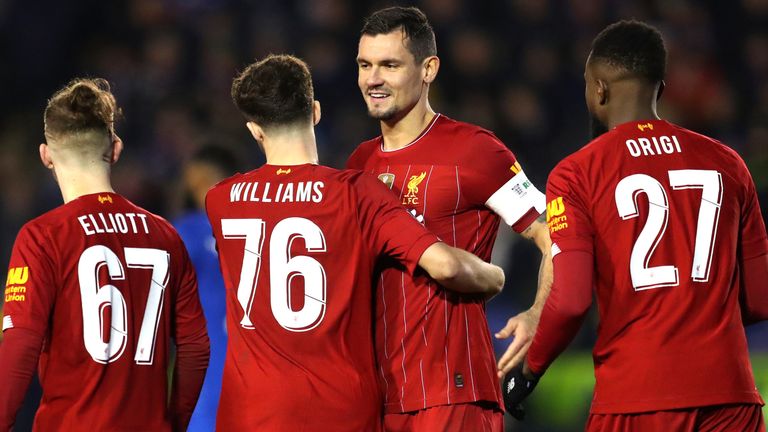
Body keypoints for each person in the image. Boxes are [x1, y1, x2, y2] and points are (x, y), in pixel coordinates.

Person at [208, 54, 505, 431]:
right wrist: (495, 277)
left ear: (255, 130)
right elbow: (446, 266)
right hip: (338, 411)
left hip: (248, 413)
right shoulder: (355, 193)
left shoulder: (221, 200)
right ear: (315, 112)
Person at [504, 20, 768, 431]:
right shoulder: (728, 163)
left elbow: (571, 300)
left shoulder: (576, 173)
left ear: (599, 89)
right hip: (730, 398)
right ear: (660, 88)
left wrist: (528, 371)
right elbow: (761, 297)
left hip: (637, 397)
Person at [347, 6, 552, 430]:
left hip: (452, 393)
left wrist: (540, 316)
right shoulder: (359, 163)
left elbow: (555, 235)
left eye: (389, 65)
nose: (373, 79)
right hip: (377, 396)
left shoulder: (476, 151)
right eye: (365, 65)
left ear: (428, 69)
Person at [0, 78, 210, 430]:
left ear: (46, 155)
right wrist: (172, 422)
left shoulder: (43, 236)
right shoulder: (165, 235)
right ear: (115, 149)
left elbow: (21, 342)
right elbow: (195, 346)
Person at [173, 145, 237, 431]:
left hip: (213, 371)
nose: (202, 193)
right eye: (195, 186)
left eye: (206, 181)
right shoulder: (265, 224)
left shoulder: (188, 230)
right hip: (219, 370)